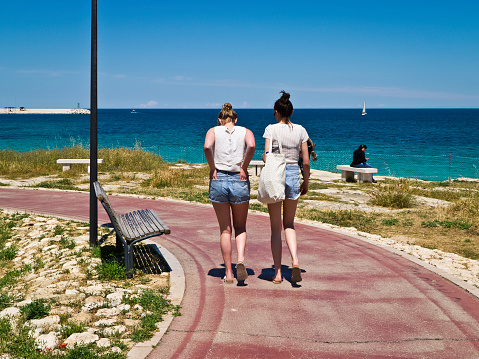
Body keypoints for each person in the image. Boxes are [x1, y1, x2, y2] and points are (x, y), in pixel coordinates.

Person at [204, 103, 255, 284]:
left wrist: (213, 168)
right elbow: (251, 146)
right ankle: (240, 260)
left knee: (225, 229)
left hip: (219, 180)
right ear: (235, 119)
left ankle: (229, 273)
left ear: (219, 120)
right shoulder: (245, 131)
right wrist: (244, 167)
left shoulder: (213, 131)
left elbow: (207, 147)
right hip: (239, 179)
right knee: (240, 227)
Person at [262, 91, 310, 284]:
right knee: (289, 224)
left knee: (275, 228)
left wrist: (270, 156)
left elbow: (266, 156)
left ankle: (278, 273)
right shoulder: (300, 130)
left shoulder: (270, 129)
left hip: (276, 175)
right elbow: (305, 161)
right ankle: (295, 261)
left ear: (276, 112)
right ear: (291, 112)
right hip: (292, 175)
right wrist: (305, 181)